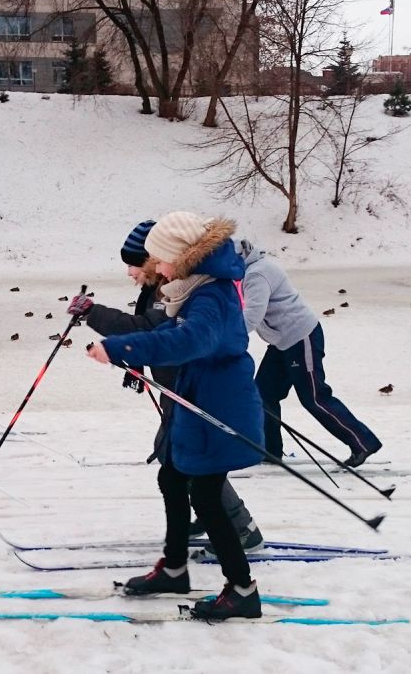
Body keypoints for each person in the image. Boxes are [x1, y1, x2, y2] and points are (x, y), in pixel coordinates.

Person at [86, 211, 265, 620]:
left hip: (217, 404)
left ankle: (242, 589)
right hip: (197, 396)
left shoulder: (210, 295)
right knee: (172, 476)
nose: (158, 270)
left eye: (161, 260)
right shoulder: (193, 288)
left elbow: (189, 341)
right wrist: (124, 346)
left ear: (182, 256)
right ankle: (173, 569)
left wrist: (119, 349)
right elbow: (165, 333)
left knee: (205, 496)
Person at [236, 239, 383, 467]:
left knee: (314, 397)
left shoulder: (257, 274)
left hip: (300, 336)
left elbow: (253, 316)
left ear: (239, 257)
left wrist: (226, 338)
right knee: (263, 394)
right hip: (282, 342)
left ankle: (363, 442)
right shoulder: (248, 273)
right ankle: (270, 451)